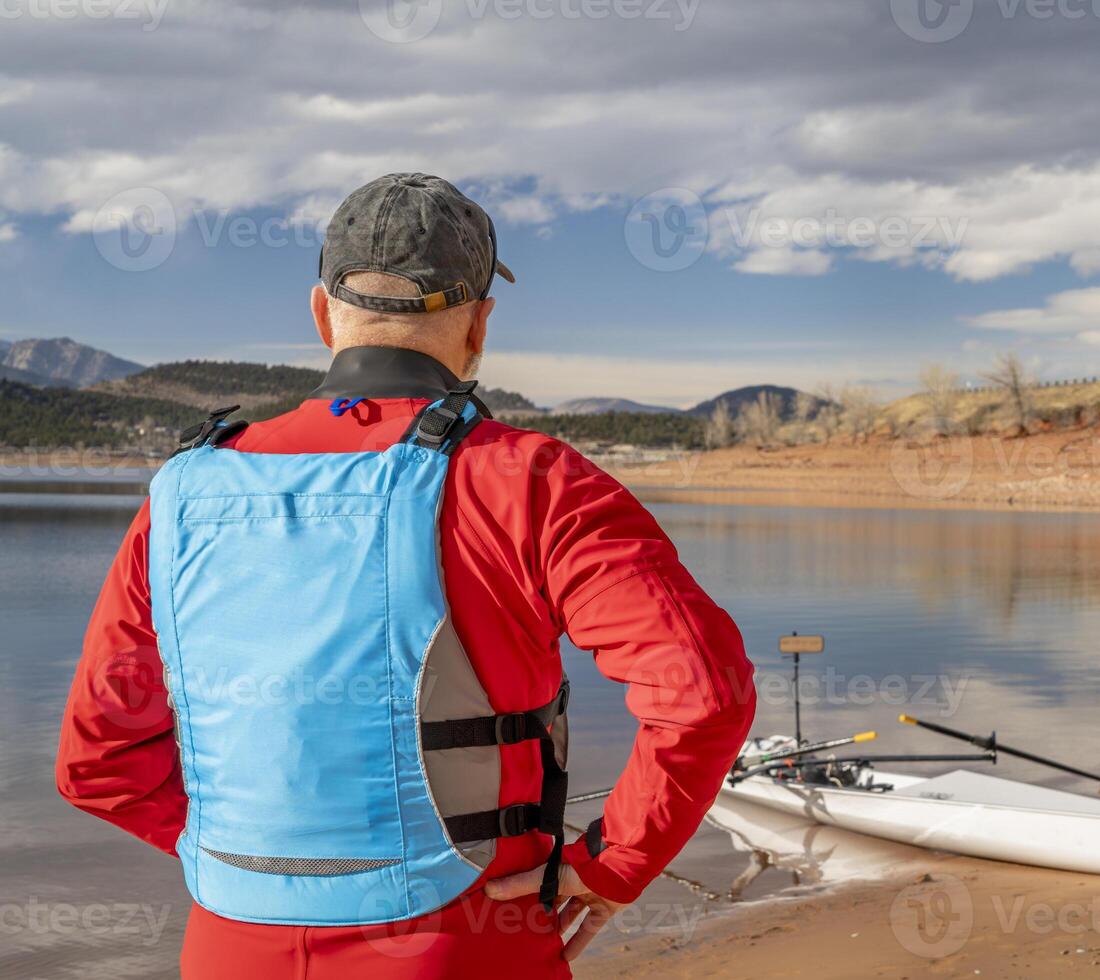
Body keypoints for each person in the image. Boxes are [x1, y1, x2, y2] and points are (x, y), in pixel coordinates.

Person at [55, 173, 756, 979]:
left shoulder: (182, 492)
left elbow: (96, 762)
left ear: (321, 313)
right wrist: (612, 861)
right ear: (480, 326)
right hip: (471, 940)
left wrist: (257, 857)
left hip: (230, 944)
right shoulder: (532, 479)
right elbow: (705, 692)